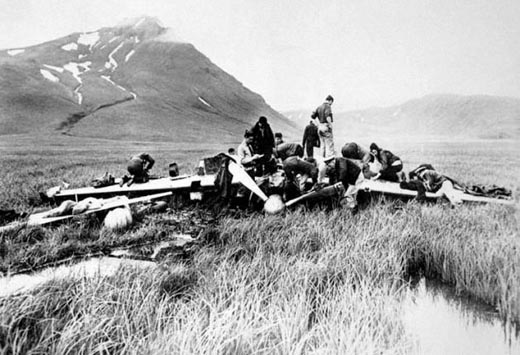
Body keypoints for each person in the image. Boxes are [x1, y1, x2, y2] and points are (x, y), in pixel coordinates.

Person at [311, 95, 335, 159]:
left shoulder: (319, 107)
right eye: (331, 103)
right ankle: (329, 160)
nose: (331, 104)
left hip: (320, 127)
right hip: (326, 126)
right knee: (329, 145)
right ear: (330, 101)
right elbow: (328, 116)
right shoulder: (328, 106)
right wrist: (330, 125)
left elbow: (312, 117)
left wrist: (318, 124)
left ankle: (322, 159)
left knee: (323, 145)